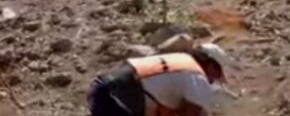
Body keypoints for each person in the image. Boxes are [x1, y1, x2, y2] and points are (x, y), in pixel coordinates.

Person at [88, 43, 238, 116]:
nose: (215, 79)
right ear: (210, 64)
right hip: (120, 102)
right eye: (217, 72)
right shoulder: (198, 78)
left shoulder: (181, 61)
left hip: (105, 90)